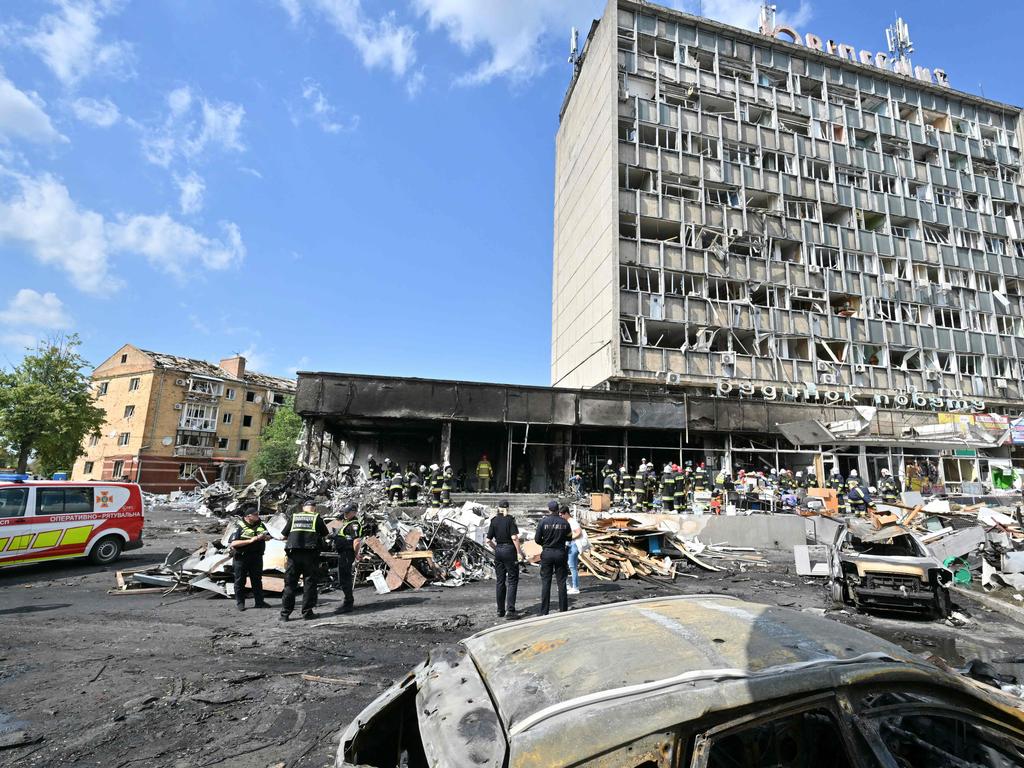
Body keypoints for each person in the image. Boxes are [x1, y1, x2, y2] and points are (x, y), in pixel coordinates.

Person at [280, 499, 329, 622]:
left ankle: (285, 614)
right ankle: (307, 613)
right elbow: (325, 533)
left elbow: (284, 535)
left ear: (303, 508)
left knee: (290, 584)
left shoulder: (294, 517)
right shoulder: (316, 518)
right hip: (310, 555)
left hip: (293, 554)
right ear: (314, 508)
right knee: (309, 583)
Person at [229, 505, 271, 611]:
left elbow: (269, 536)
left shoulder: (260, 524)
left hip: (256, 556)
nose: (258, 516)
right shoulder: (239, 526)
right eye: (255, 515)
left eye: (258, 514)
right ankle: (240, 603)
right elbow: (233, 543)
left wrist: (266, 537)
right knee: (240, 580)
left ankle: (259, 602)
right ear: (248, 516)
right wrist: (251, 540)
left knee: (257, 580)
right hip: (242, 557)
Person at [485, 500, 523, 618]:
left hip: (499, 551)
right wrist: (519, 552)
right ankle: (510, 610)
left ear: (498, 508)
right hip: (509, 551)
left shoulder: (494, 520)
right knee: (512, 580)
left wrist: (496, 549)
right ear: (508, 508)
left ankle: (500, 610)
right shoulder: (510, 520)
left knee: (500, 581)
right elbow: (514, 538)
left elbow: (488, 540)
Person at [534, 500, 571, 615]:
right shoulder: (565, 523)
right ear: (558, 509)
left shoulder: (543, 522)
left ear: (549, 509)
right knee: (561, 582)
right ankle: (563, 610)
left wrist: (545, 544)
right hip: (560, 553)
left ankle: (544, 611)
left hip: (547, 553)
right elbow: (570, 538)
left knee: (546, 582)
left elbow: (537, 539)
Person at [332, 503, 362, 613]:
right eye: (344, 511)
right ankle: (347, 601)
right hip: (343, 553)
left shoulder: (354, 524)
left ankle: (348, 604)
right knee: (343, 578)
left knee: (345, 578)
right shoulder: (347, 521)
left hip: (347, 553)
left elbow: (357, 540)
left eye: (347, 512)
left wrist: (356, 554)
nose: (345, 514)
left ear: (354, 512)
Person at [561, 505, 589, 595]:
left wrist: (569, 538)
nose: (561, 516)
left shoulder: (572, 521)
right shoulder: (568, 521)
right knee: (567, 565)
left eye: (561, 515)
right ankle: (568, 585)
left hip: (574, 545)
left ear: (566, 513)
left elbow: (579, 532)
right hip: (570, 545)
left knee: (572, 567)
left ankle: (575, 587)